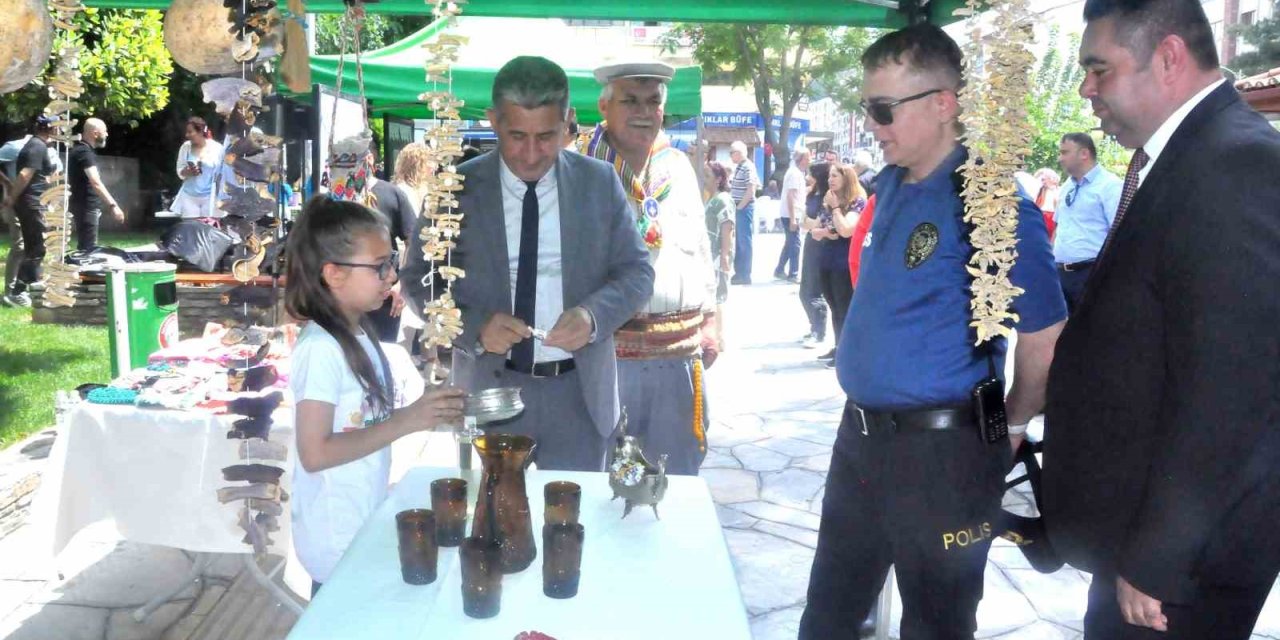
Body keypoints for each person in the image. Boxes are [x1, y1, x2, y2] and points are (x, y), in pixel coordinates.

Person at [800, 24, 1067, 639]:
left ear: (942, 104)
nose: (872, 124)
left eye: (883, 109)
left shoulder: (990, 201)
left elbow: (1045, 337)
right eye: (867, 108)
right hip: (861, 442)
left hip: (942, 457)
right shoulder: (892, 183)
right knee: (828, 617)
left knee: (936, 628)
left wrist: (1015, 427)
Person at [1042, 0, 1280, 637]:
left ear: (1169, 56)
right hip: (1142, 529)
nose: (1086, 89)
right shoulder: (1188, 154)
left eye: (1099, 69)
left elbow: (1232, 389)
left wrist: (1160, 558)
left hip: (1184, 564)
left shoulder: (1236, 162)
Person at [401, 56, 655, 472]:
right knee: (492, 526)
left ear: (568, 122)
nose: (532, 154)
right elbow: (417, 279)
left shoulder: (600, 183)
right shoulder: (455, 191)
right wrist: (474, 324)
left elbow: (637, 273)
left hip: (579, 392)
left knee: (573, 524)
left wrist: (592, 317)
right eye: (517, 136)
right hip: (489, 391)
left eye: (547, 136)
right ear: (493, 121)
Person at [284, 196, 465, 596]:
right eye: (380, 266)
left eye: (392, 264)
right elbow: (315, 453)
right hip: (335, 538)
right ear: (333, 274)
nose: (391, 276)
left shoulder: (360, 332)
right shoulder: (321, 349)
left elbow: (363, 420)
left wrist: (430, 410)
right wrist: (407, 421)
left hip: (359, 521)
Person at [582, 60, 719, 476]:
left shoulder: (678, 166)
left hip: (678, 355)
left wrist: (713, 318)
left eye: (653, 101)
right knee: (607, 480)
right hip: (607, 355)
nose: (644, 111)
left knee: (675, 479)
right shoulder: (581, 171)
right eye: (630, 100)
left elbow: (699, 245)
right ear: (604, 106)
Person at [1051, 132, 1121, 314]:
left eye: (1065, 152)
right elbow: (1059, 227)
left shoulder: (1109, 186)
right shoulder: (1068, 185)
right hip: (1060, 275)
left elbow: (1120, 232)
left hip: (1090, 274)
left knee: (1088, 335)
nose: (1060, 158)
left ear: (1084, 153)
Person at [807, 164, 865, 368]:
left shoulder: (856, 202)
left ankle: (848, 351)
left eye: (835, 176)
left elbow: (846, 229)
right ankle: (838, 346)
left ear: (846, 178)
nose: (830, 180)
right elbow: (816, 230)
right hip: (827, 258)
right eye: (830, 176)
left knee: (844, 307)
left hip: (845, 261)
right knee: (833, 306)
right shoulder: (829, 200)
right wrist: (825, 231)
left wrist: (836, 209)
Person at [0, 116, 59, 308]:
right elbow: (25, 175)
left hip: (33, 203)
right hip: (31, 204)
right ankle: (18, 292)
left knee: (34, 248)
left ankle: (30, 288)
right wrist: (11, 196)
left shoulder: (39, 146)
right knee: (37, 248)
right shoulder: (37, 146)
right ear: (51, 129)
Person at [363, 144, 417, 344]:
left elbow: (414, 243)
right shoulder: (334, 196)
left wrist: (401, 284)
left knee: (382, 355)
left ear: (370, 157)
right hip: (342, 299)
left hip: (385, 294)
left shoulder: (392, 194)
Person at [389, 141, 435, 354]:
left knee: (423, 316)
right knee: (405, 322)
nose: (433, 167)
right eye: (429, 162)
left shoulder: (424, 190)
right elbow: (409, 236)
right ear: (418, 164)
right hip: (407, 263)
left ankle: (429, 363)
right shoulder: (402, 192)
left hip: (423, 264)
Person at [66, 118, 125, 252]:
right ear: (95, 133)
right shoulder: (84, 153)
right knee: (88, 250)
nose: (107, 134)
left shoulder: (83, 151)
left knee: (85, 247)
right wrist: (113, 206)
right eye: (105, 131)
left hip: (84, 206)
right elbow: (95, 182)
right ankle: (81, 272)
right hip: (86, 206)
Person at [798, 162, 831, 349]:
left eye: (809, 174)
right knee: (804, 290)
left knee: (813, 290)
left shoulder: (827, 196)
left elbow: (818, 222)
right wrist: (810, 223)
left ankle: (819, 331)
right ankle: (813, 326)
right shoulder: (812, 194)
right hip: (810, 242)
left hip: (821, 244)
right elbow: (805, 222)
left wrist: (810, 223)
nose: (807, 177)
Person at [170, 117, 224, 219]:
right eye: (186, 132)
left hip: (209, 197)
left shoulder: (218, 149)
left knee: (208, 230)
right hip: (189, 196)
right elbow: (179, 170)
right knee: (191, 230)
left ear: (200, 132)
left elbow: (223, 172)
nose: (187, 135)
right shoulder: (185, 147)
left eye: (190, 132)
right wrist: (188, 172)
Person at [703, 161, 735, 307]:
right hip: (709, 253)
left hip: (717, 255)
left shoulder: (722, 199)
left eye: (707, 176)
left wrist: (725, 255)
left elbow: (727, 227)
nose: (704, 179)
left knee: (718, 298)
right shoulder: (709, 198)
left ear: (718, 179)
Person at [773, 149, 807, 282]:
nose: (809, 160)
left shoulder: (797, 173)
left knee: (790, 243)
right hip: (791, 214)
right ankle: (793, 273)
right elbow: (791, 196)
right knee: (795, 244)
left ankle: (780, 269)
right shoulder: (794, 174)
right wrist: (793, 218)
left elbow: (797, 193)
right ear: (801, 159)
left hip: (791, 213)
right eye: (807, 158)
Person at [728, 140, 759, 284]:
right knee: (739, 241)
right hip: (739, 206)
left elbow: (751, 190)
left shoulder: (748, 167)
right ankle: (739, 271)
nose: (730, 156)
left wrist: (740, 207)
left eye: (731, 152)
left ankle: (745, 274)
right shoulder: (741, 167)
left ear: (739, 153)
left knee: (744, 241)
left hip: (744, 208)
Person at [1032, 167, 1061, 241]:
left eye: (1044, 179)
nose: (1043, 182)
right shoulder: (1040, 191)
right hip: (1041, 215)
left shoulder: (1057, 191)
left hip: (1052, 217)